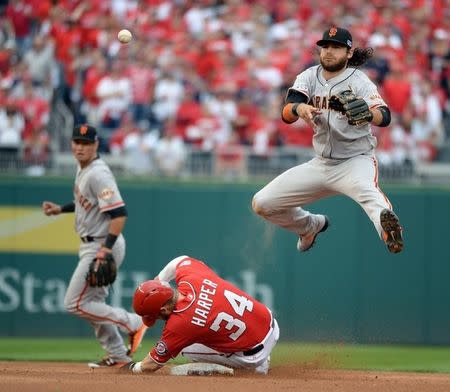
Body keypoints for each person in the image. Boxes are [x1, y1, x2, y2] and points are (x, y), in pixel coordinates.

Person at [252, 27, 404, 254]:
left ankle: (389, 231)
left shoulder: (359, 81)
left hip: (355, 161)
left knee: (370, 196)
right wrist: (299, 107)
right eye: (326, 46)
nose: (329, 51)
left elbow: (385, 116)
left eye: (336, 47)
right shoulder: (308, 76)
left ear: (349, 53)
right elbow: (287, 112)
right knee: (262, 203)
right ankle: (309, 226)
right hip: (321, 163)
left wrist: (369, 114)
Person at [42, 124, 147, 368]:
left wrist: (105, 249)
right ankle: (118, 355)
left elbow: (119, 214)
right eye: (77, 142)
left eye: (86, 143)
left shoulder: (99, 173)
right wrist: (61, 209)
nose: (80, 147)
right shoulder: (85, 168)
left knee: (75, 303)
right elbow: (87, 203)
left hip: (101, 244)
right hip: (93, 244)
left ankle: (134, 322)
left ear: (96, 145)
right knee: (93, 305)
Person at [122, 255, 279, 375]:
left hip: (254, 354)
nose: (156, 319)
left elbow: (151, 364)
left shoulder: (179, 325)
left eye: (155, 316)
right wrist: (159, 280)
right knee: (196, 333)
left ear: (163, 309)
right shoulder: (192, 276)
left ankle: (257, 368)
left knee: (185, 347)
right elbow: (181, 259)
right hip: (270, 322)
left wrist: (133, 367)